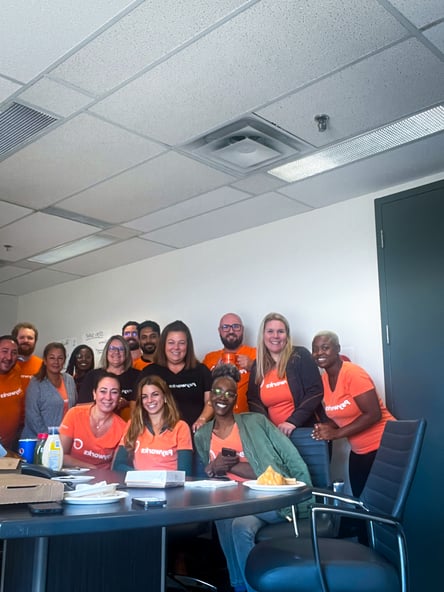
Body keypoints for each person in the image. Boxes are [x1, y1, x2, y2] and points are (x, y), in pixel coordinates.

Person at [194, 364, 312, 592]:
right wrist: (212, 468)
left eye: (229, 393)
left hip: (267, 498)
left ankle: (247, 587)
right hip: (233, 502)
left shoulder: (255, 422)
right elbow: (209, 473)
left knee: (233, 519)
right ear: (210, 396)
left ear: (235, 399)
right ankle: (241, 586)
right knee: (228, 518)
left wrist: (232, 464)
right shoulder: (202, 435)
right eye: (217, 391)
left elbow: (281, 464)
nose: (222, 397)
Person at [311, 330, 396, 496]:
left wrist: (336, 434)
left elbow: (373, 414)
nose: (319, 353)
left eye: (325, 347)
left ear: (337, 349)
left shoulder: (353, 373)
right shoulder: (324, 380)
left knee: (378, 506)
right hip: (359, 450)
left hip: (384, 446)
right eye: (315, 349)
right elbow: (341, 415)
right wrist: (325, 428)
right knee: (361, 504)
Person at [247, 313, 325, 436]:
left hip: (307, 433)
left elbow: (316, 391)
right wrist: (266, 426)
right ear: (263, 335)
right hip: (275, 437)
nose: (275, 336)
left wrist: (292, 422)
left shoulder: (300, 355)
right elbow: (253, 400)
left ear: (287, 335)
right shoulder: (258, 365)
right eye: (270, 331)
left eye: (280, 331)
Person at [140, 320, 212, 433]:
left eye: (181, 343)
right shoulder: (149, 372)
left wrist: (202, 419)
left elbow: (210, 401)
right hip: (160, 438)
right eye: (171, 342)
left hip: (194, 435)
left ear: (188, 345)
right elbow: (138, 405)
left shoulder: (201, 370)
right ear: (163, 344)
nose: (176, 347)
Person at [113, 375, 193, 474]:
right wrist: (144, 477)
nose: (150, 400)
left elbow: (186, 472)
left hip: (170, 487)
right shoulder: (133, 425)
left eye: (155, 394)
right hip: (140, 485)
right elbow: (118, 465)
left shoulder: (181, 427)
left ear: (165, 397)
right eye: (144, 397)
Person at [59, 370, 127, 469]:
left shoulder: (123, 428)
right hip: (72, 477)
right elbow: (60, 456)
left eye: (114, 392)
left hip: (104, 481)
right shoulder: (74, 414)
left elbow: (115, 467)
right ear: (94, 394)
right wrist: (92, 468)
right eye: (103, 391)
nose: (108, 397)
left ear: (119, 397)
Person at [77, 335, 140, 421]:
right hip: (97, 427)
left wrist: (127, 403)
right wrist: (108, 403)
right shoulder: (92, 375)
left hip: (130, 428)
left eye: (121, 349)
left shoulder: (138, 376)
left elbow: (146, 403)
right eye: (112, 348)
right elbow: (80, 407)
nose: (116, 352)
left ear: (126, 353)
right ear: (106, 352)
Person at [22, 342, 77, 439]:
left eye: (60, 358)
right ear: (45, 360)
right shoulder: (36, 383)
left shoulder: (69, 379)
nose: (56, 362)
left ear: (64, 360)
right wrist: (49, 438)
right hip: (39, 440)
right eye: (52, 358)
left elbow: (74, 409)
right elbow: (32, 416)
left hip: (64, 438)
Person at [203, 313, 256, 413]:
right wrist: (214, 375)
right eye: (225, 327)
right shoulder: (209, 358)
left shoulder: (255, 354)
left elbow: (272, 383)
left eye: (236, 327)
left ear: (242, 329)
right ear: (219, 330)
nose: (231, 331)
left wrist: (253, 366)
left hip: (248, 418)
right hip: (217, 419)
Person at [0, 335, 25, 450]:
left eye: (14, 352)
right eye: (4, 351)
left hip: (10, 444)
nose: (9, 357)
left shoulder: (16, 370)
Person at [11, 322, 42, 392]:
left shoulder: (42, 365)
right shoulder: (5, 363)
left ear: (35, 341)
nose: (26, 340)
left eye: (30, 338)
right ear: (14, 340)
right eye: (22, 337)